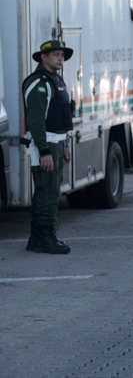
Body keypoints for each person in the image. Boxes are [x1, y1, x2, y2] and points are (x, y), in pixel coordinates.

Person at [22, 40, 74, 254]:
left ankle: (38, 238)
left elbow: (61, 115)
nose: (60, 58)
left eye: (62, 54)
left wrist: (66, 144)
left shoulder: (55, 80)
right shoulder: (39, 82)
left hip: (57, 143)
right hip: (46, 146)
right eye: (56, 54)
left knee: (50, 191)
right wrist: (44, 152)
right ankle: (43, 238)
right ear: (43, 57)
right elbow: (35, 120)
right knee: (47, 192)